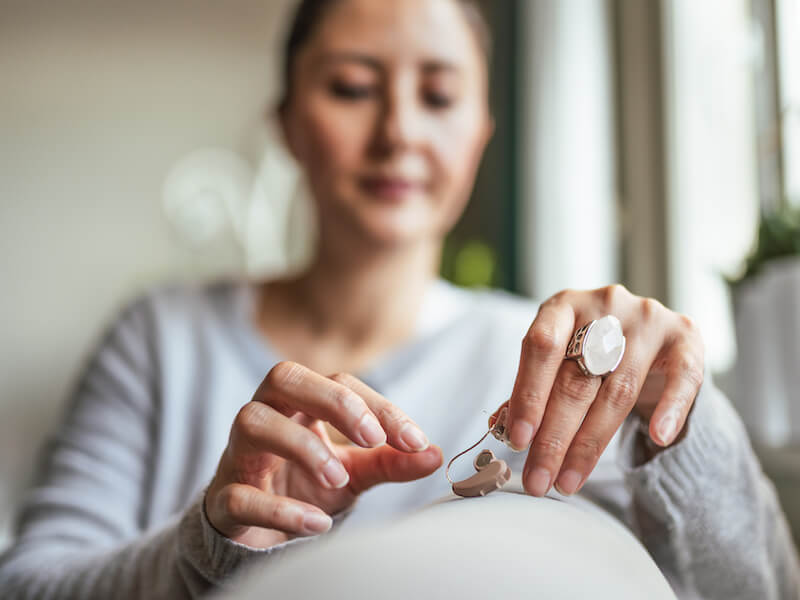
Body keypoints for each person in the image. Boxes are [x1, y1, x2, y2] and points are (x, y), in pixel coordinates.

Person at [1, 0, 798, 598]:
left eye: (441, 96)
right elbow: (30, 585)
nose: (400, 132)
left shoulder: (556, 373)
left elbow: (758, 588)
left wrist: (680, 425)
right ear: (286, 123)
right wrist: (211, 541)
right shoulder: (161, 337)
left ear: (484, 129)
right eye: (352, 88)